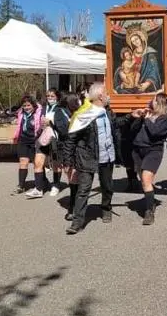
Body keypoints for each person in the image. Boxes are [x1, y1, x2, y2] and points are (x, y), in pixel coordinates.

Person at [65, 83, 118, 235]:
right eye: (107, 93)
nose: (109, 96)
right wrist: (68, 160)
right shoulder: (84, 114)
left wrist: (131, 117)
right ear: (101, 96)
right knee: (83, 190)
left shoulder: (107, 112)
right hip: (87, 156)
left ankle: (106, 208)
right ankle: (77, 222)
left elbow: (116, 126)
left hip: (107, 156)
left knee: (107, 186)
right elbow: (72, 137)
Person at [131, 92, 167, 225]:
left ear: (160, 103)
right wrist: (137, 118)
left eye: (154, 100)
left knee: (146, 178)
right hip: (138, 149)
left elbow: (155, 132)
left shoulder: (165, 119)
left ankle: (149, 211)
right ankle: (151, 200)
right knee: (144, 181)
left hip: (153, 151)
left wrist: (147, 120)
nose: (151, 101)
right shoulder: (146, 114)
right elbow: (132, 130)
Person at [26, 89, 69, 199]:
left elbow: (64, 126)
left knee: (56, 164)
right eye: (48, 96)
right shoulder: (44, 108)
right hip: (44, 138)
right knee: (38, 161)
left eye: (52, 96)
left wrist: (51, 123)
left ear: (57, 97)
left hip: (55, 139)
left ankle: (56, 184)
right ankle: (38, 189)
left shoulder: (61, 109)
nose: (50, 98)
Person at [12, 95, 42, 195]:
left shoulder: (38, 113)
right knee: (23, 162)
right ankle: (21, 185)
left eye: (28, 105)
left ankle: (41, 183)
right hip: (23, 140)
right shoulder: (21, 113)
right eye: (24, 105)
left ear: (33, 105)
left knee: (37, 164)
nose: (26, 107)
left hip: (34, 140)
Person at [60, 93, 81, 222]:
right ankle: (72, 208)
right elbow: (65, 134)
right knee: (73, 181)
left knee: (77, 181)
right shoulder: (61, 114)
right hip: (69, 151)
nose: (80, 102)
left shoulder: (80, 113)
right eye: (78, 100)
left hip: (80, 151)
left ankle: (76, 207)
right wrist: (67, 160)